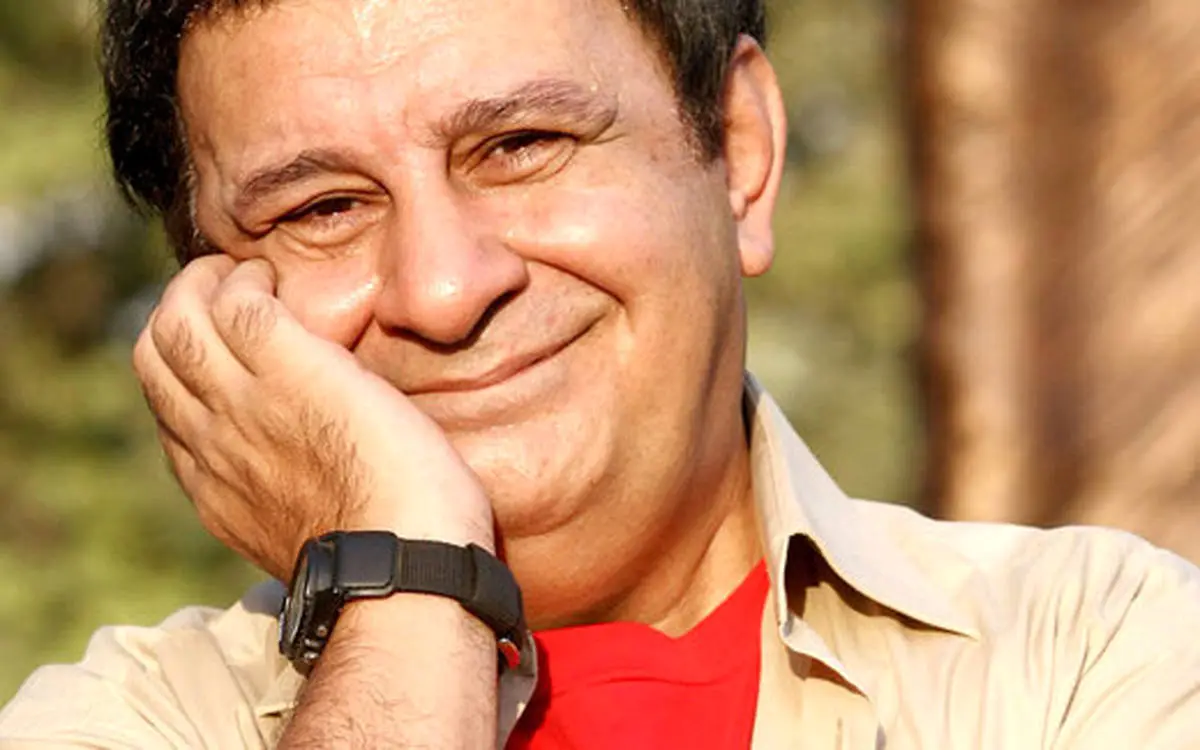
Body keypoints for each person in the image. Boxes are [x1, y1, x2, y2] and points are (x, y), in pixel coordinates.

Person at [2, 0, 1199, 747]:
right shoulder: (129, 723)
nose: (444, 289)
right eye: (323, 208)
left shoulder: (1091, 655)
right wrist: (406, 579)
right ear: (213, 302)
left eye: (522, 145)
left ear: (740, 151)